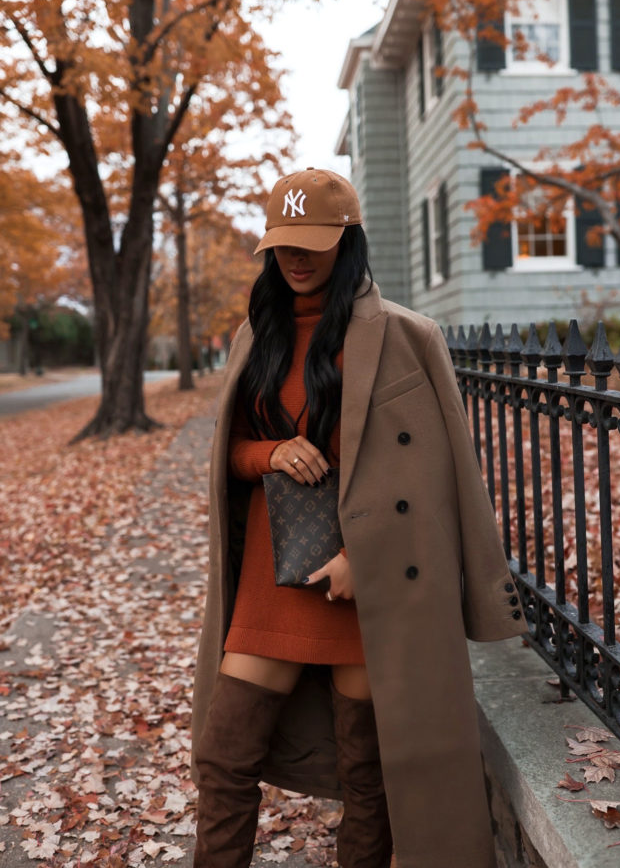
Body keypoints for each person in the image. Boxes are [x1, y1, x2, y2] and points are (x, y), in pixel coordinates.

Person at [191, 167, 528, 868]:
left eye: (312, 242)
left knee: (367, 782)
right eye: (283, 242)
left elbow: (440, 479)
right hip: (270, 582)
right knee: (221, 757)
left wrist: (363, 562)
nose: (295, 257)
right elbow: (230, 454)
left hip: (369, 589)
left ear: (349, 241)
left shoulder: (408, 336)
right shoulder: (256, 336)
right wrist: (271, 453)